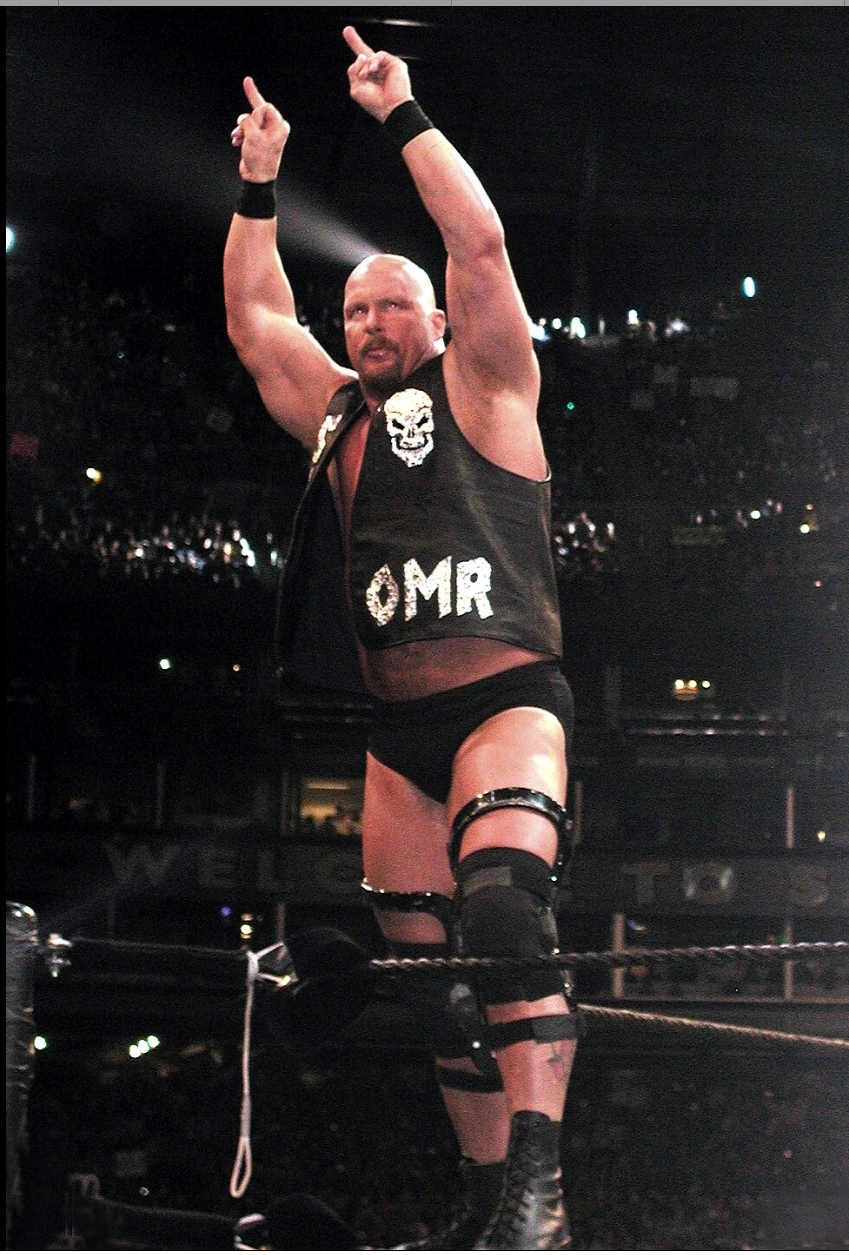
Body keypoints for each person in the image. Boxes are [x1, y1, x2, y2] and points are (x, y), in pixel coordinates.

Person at [224, 26, 578, 1252]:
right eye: (355, 308)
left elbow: (479, 245)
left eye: (392, 305)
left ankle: (539, 1184)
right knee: (430, 988)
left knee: (505, 915)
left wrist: (402, 114)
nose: (370, 322)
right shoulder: (336, 420)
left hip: (504, 700)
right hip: (397, 732)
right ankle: (488, 1207)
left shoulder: (488, 385)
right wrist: (258, 185)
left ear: (433, 319)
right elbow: (256, 320)